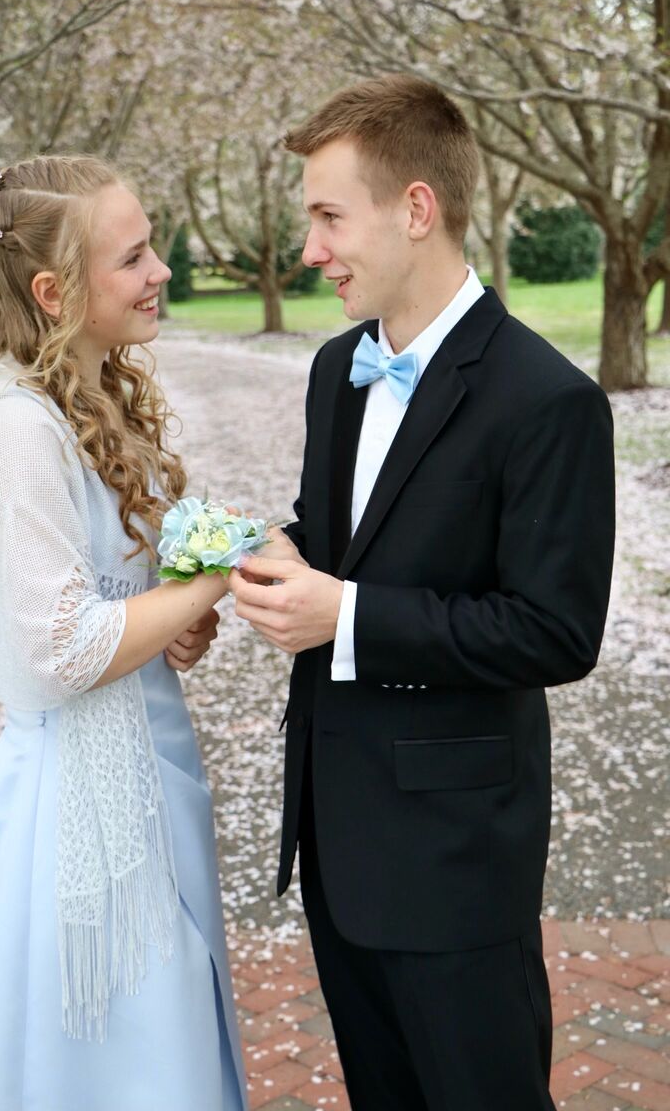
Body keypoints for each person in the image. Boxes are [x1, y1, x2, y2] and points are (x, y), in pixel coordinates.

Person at [230, 75, 615, 1111]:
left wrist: (343, 615)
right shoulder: (332, 371)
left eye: (327, 217)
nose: (310, 250)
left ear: (415, 208)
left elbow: (555, 631)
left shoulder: (551, 403)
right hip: (337, 843)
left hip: (456, 864)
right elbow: (353, 536)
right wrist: (276, 558)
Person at [0, 155, 246, 1111]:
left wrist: (172, 623)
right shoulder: (17, 427)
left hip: (150, 766)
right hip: (82, 805)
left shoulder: (90, 397)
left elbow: (104, 601)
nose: (162, 272)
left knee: (171, 1015)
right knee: (119, 1046)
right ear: (56, 291)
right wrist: (214, 578)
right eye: (134, 256)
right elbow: (57, 651)